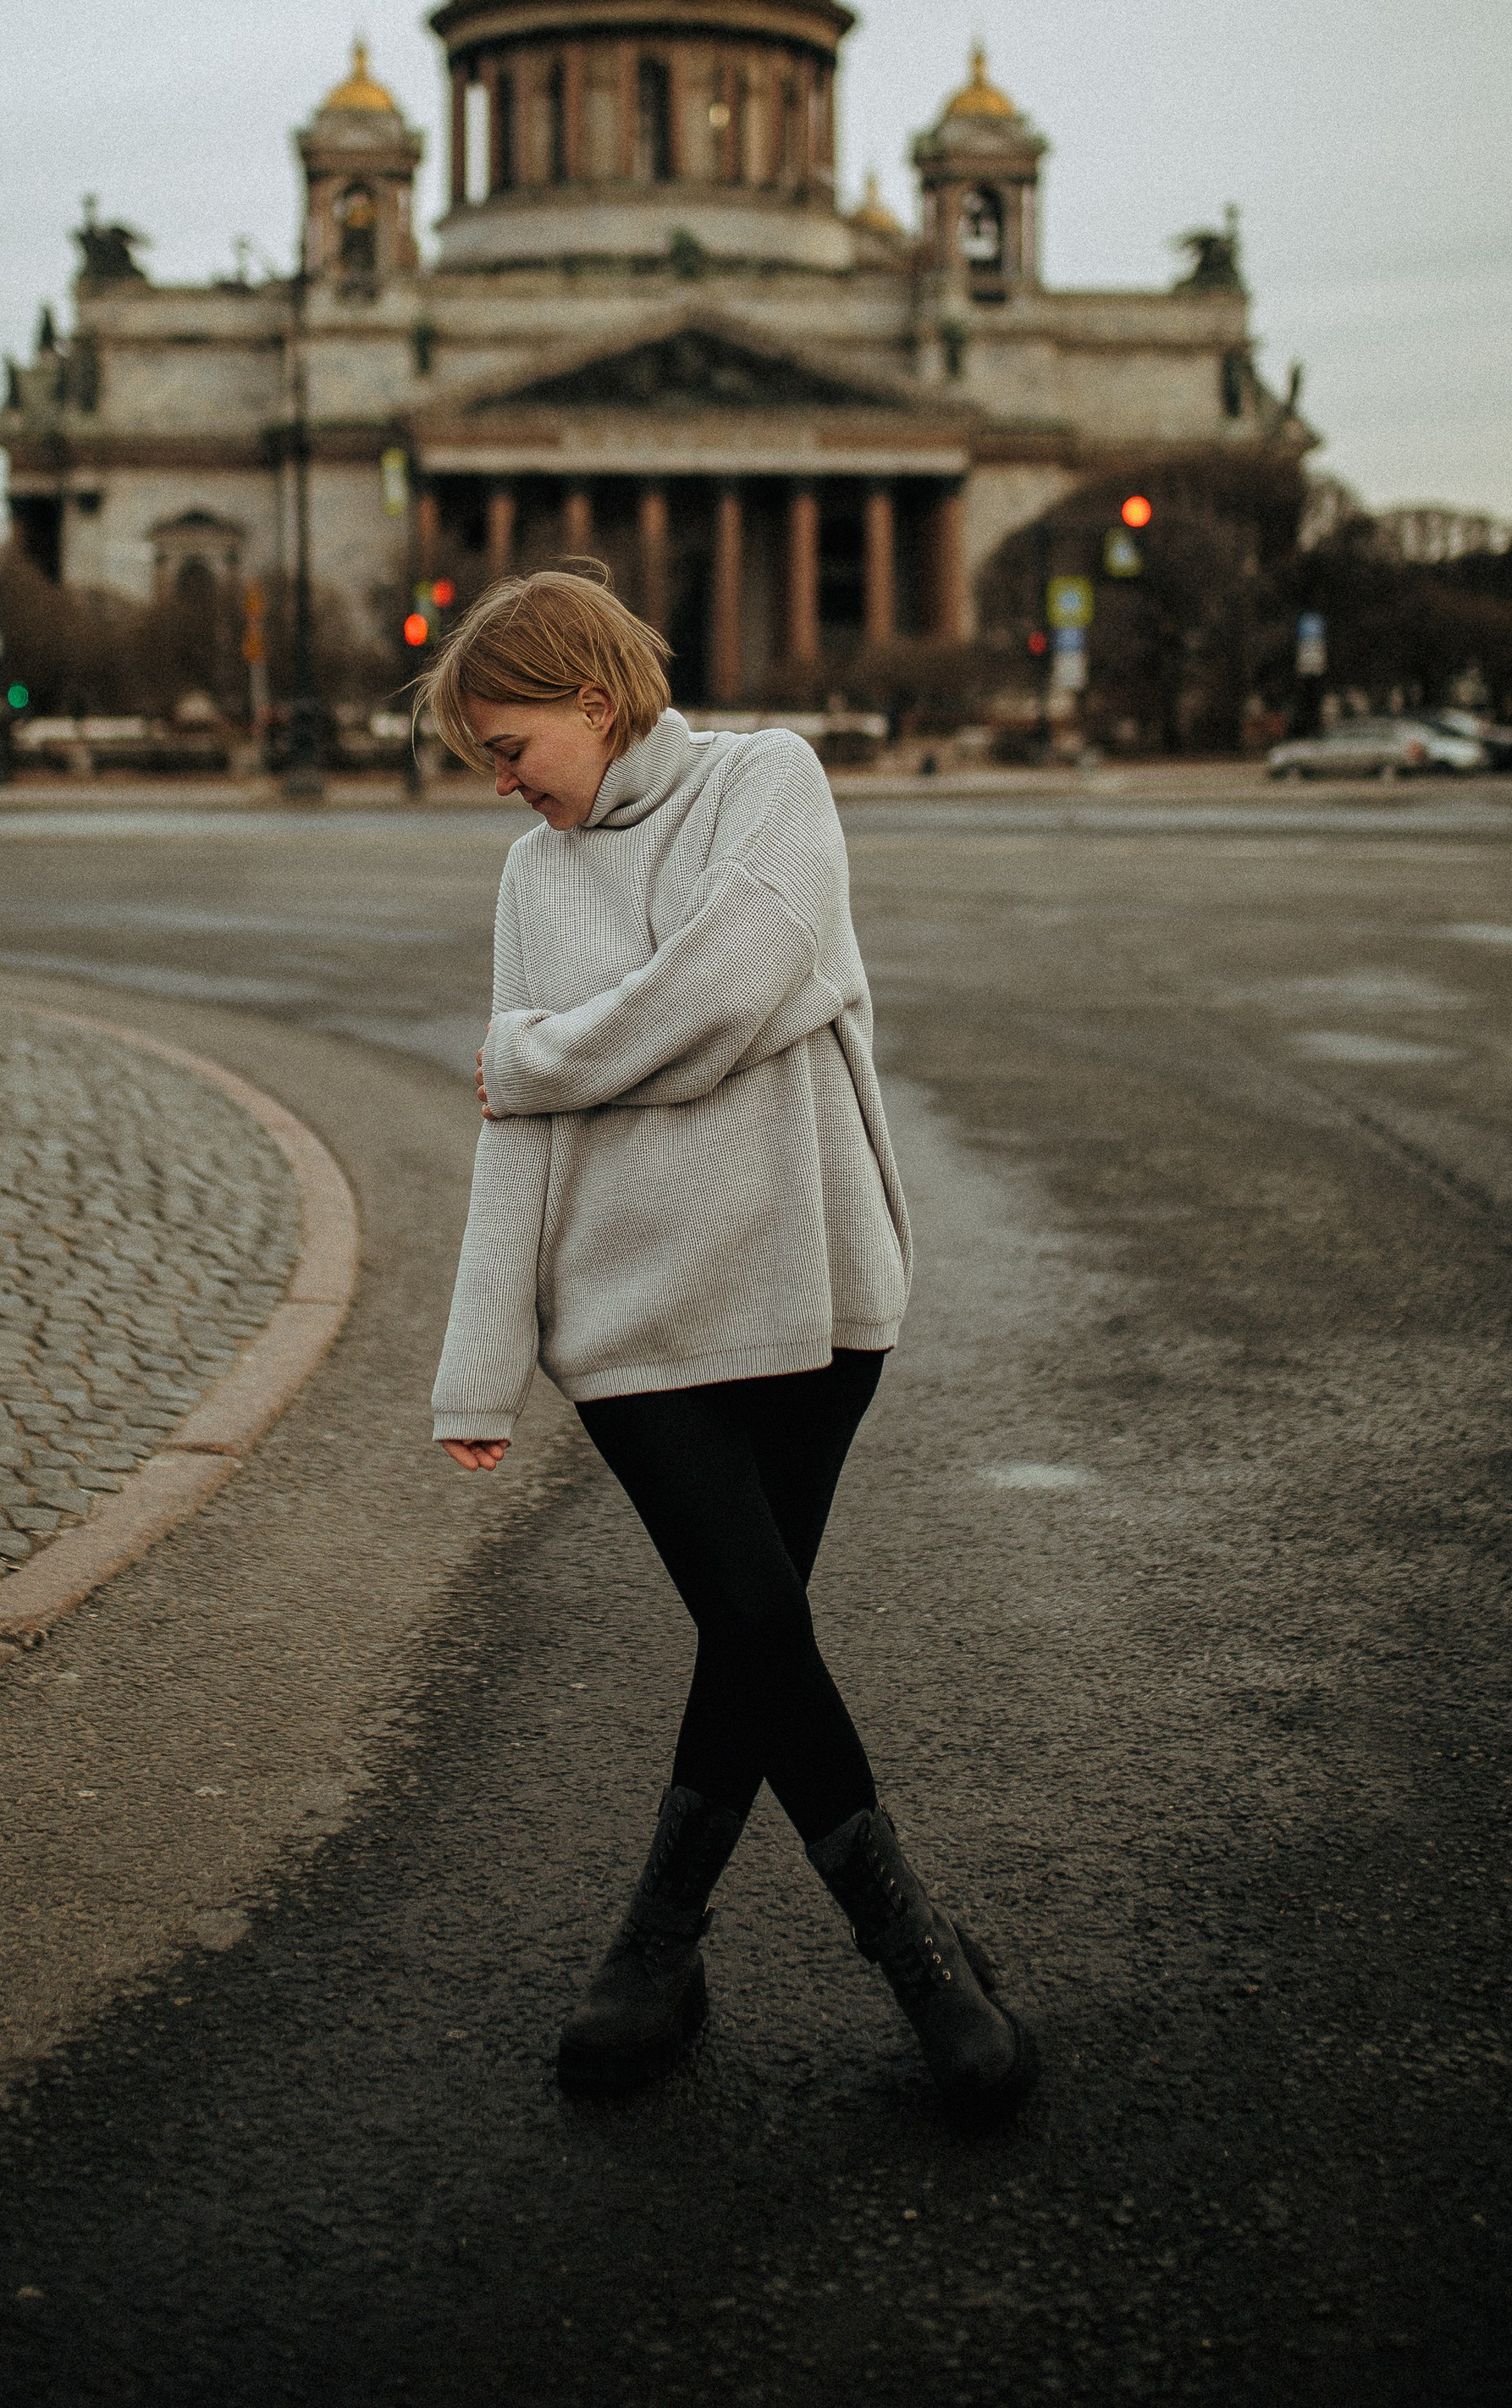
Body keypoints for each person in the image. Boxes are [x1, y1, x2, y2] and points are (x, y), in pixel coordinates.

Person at [420, 566, 1035, 2117]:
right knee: (759, 1617)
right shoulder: (527, 877)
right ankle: (916, 1962)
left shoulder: (772, 782)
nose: (502, 787)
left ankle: (660, 1946)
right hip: (627, 1328)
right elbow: (518, 1142)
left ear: (593, 697)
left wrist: (533, 1056)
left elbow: (729, 992)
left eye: (508, 747)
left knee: (753, 1630)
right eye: (482, 762)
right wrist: (481, 1360)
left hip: (809, 1291)